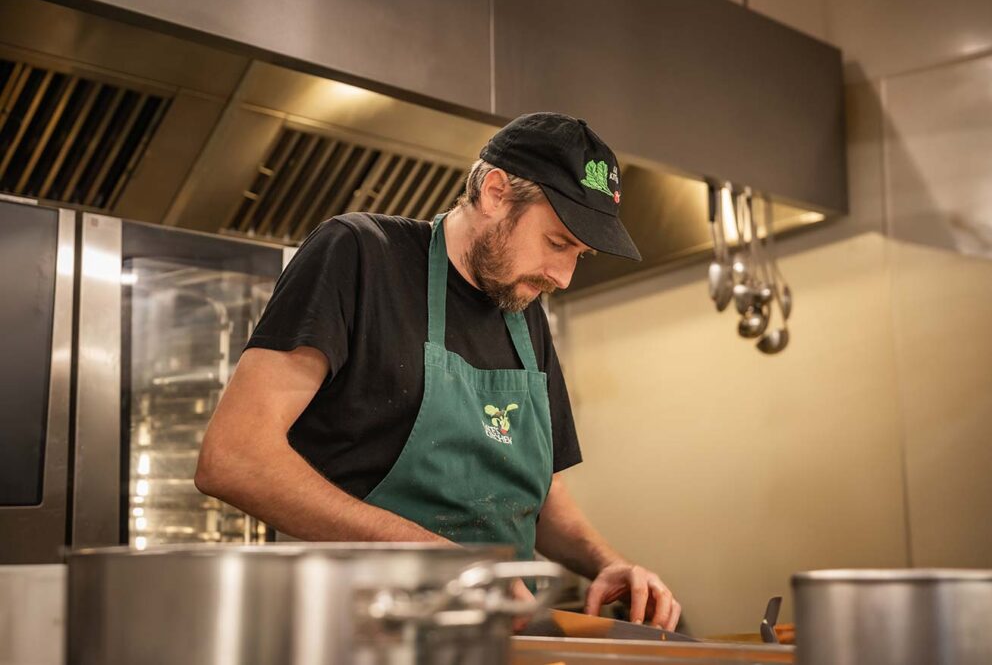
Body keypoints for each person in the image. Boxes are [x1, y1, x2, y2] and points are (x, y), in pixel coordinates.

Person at [195, 112, 681, 630]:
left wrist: (607, 563)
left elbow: (537, 493)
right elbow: (234, 457)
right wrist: (450, 564)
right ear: (495, 192)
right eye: (557, 243)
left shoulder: (523, 310)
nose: (562, 275)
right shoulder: (359, 254)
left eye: (578, 255)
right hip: (357, 636)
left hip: (493, 642)